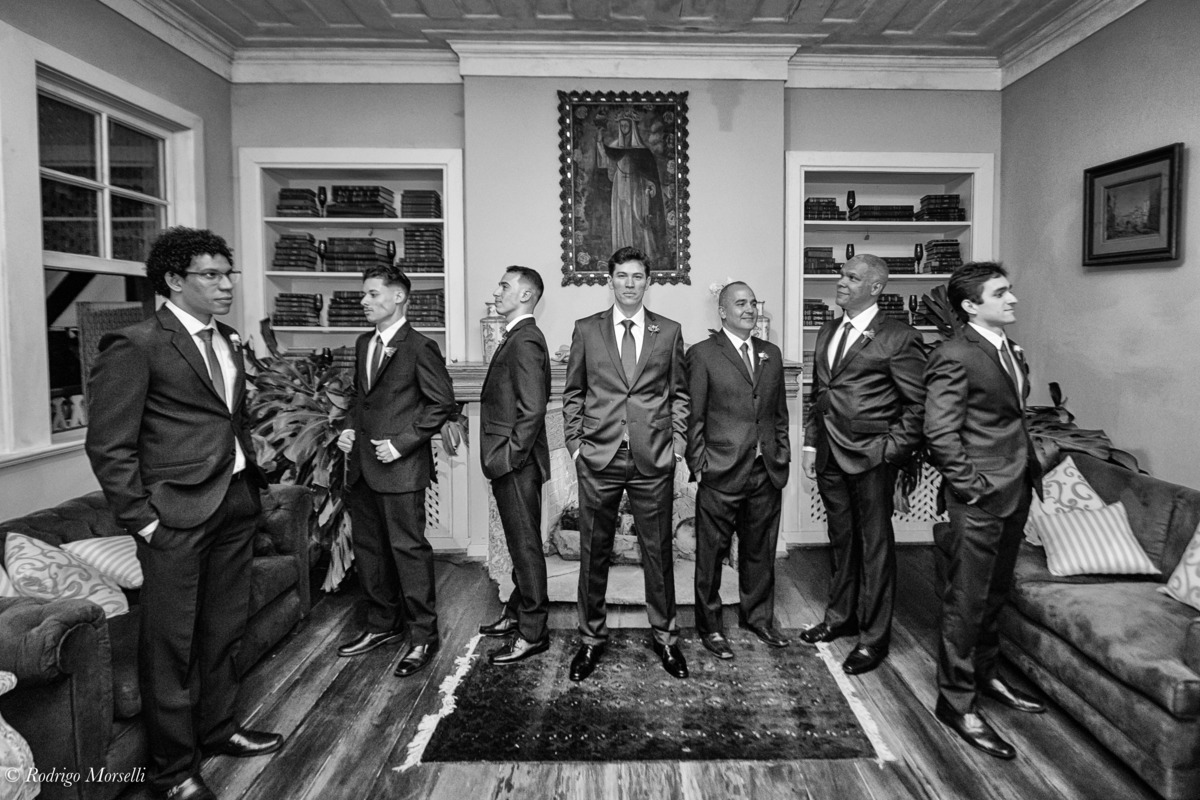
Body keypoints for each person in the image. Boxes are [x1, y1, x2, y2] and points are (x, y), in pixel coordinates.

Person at [85, 227, 281, 800]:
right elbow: (109, 446)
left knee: (224, 630)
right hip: (174, 517)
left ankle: (218, 729)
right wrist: (144, 520)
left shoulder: (229, 339)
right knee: (170, 646)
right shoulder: (135, 344)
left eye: (227, 274)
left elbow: (228, 419)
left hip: (234, 504)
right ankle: (173, 772)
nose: (225, 285)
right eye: (210, 275)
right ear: (174, 280)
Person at [924, 262, 1045, 760]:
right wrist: (972, 488)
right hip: (979, 497)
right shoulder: (954, 353)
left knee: (995, 594)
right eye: (1000, 293)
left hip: (1016, 490)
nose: (1011, 299)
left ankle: (987, 677)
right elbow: (939, 430)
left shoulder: (1009, 349)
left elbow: (1010, 418)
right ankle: (956, 702)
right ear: (971, 306)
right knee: (966, 601)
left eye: (1009, 290)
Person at [562, 245, 689, 681]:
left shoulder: (668, 331)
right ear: (610, 280)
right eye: (622, 275)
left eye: (637, 276)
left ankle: (666, 639)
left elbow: (680, 395)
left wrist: (676, 446)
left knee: (658, 553)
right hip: (599, 457)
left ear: (648, 282)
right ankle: (590, 640)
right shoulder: (586, 330)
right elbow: (574, 393)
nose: (630, 283)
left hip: (653, 457)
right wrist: (576, 446)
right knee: (593, 553)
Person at [799, 253, 926, 676]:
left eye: (852, 277)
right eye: (841, 274)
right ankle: (841, 618)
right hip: (829, 454)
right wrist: (811, 445)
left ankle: (873, 639)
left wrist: (891, 450)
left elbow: (918, 403)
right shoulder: (828, 329)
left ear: (875, 288)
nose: (841, 281)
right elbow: (820, 393)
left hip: (873, 456)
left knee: (875, 547)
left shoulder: (899, 336)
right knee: (841, 540)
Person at [336, 264, 456, 679]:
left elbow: (441, 404)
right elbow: (360, 398)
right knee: (369, 551)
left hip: (401, 468)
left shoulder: (420, 347)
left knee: (408, 551)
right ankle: (382, 625)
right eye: (364, 294)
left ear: (399, 296)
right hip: (362, 468)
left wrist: (401, 443)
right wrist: (349, 429)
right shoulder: (362, 343)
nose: (364, 301)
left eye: (372, 294)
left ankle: (423, 636)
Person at [685, 281, 792, 660]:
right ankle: (710, 627)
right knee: (710, 556)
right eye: (741, 303)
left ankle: (758, 618)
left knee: (759, 550)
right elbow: (693, 416)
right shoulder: (702, 354)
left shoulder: (770, 353)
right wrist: (699, 465)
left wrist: (782, 454)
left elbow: (779, 413)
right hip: (720, 472)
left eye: (753, 303)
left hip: (766, 471)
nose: (749, 309)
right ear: (723, 312)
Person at [477, 266, 553, 664]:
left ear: (526, 295)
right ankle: (516, 612)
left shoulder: (525, 340)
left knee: (525, 548)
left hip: (517, 464)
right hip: (515, 462)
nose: (497, 291)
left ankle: (533, 632)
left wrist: (510, 458)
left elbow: (533, 409)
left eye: (504, 285)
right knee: (520, 543)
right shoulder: (519, 336)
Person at [596, 113, 664, 260]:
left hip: (636, 187)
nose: (624, 128)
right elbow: (605, 161)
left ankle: (641, 252)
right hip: (619, 185)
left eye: (626, 125)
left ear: (632, 127)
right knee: (622, 216)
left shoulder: (642, 151)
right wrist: (599, 142)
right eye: (621, 125)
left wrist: (649, 184)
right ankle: (622, 252)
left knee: (637, 216)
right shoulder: (614, 147)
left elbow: (648, 172)